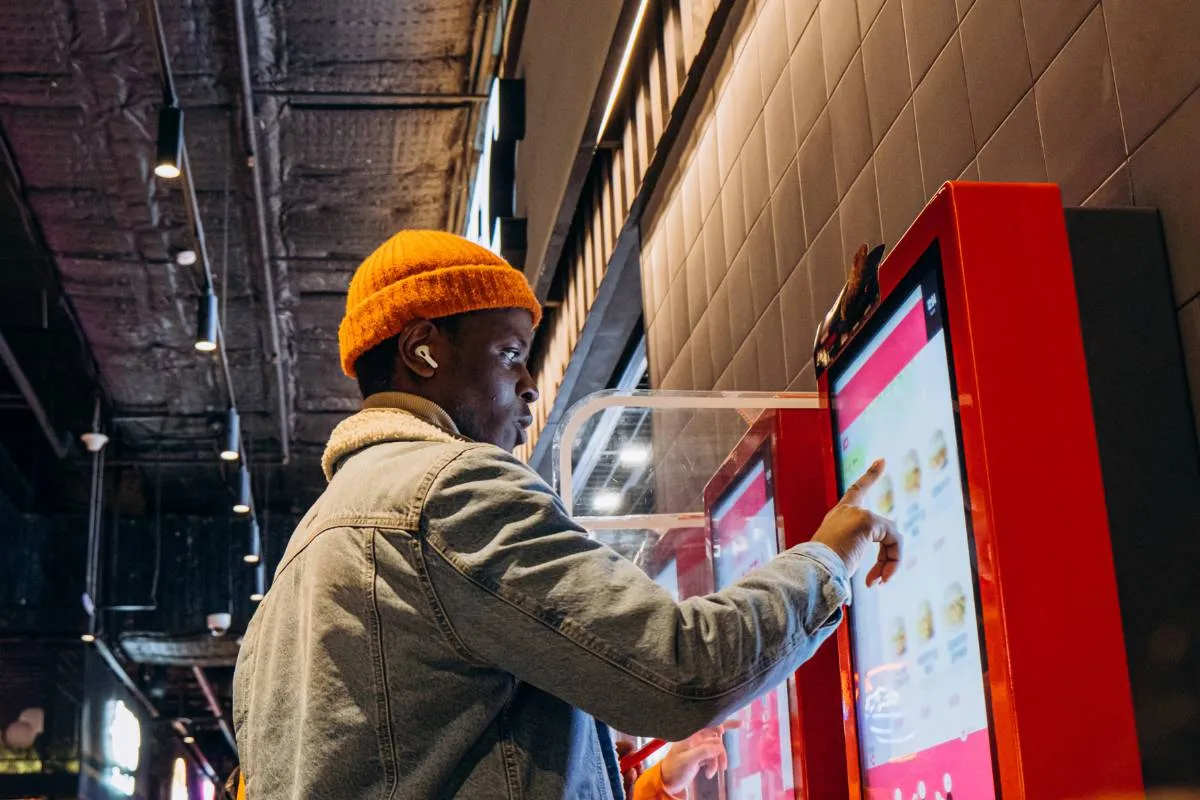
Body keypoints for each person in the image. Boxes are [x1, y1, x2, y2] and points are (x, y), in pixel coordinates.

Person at [232, 230, 901, 799]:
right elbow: (683, 670)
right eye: (510, 354)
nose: (529, 386)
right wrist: (830, 557)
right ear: (423, 350)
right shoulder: (448, 491)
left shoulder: (300, 564)